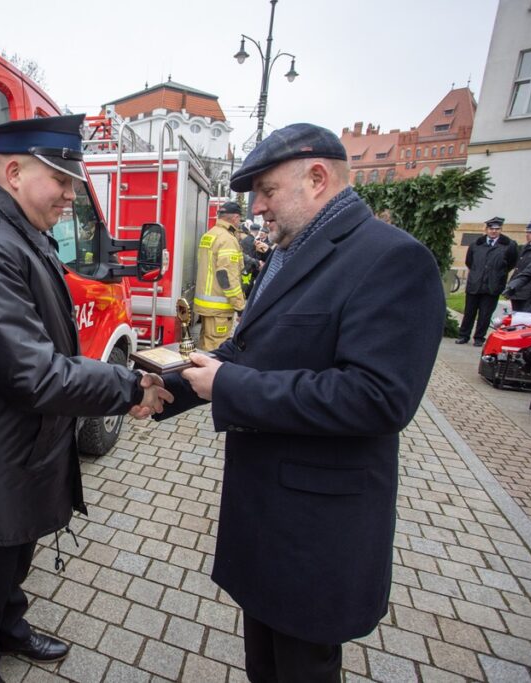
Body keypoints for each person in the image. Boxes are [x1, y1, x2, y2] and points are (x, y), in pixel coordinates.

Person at [155, 123, 445, 682]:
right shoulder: (290, 252)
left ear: (317, 178)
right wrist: (168, 388)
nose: (257, 207)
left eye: (267, 191)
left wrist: (229, 387)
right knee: (264, 665)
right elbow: (243, 351)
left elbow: (378, 397)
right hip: (266, 516)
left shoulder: (390, 259)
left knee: (302, 669)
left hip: (317, 532)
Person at [0, 114, 171, 682]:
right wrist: (126, 386)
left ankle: (9, 628)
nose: (70, 195)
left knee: (17, 549)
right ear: (14, 173)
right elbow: (33, 372)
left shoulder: (16, 228)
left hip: (23, 434)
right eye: (61, 180)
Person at [457, 216, 518, 346]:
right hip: (475, 283)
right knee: (469, 312)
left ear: (501, 229)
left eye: (497, 229)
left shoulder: (508, 245)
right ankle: (463, 335)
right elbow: (469, 262)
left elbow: (511, 263)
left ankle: (479, 337)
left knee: (485, 314)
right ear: (486, 229)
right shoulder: (476, 244)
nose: (494, 231)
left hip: (493, 285)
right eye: (491, 229)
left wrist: (498, 274)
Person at [195, 201, 247, 349]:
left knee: (205, 344)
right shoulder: (227, 239)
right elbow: (227, 276)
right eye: (239, 219)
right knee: (215, 349)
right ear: (235, 217)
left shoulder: (209, 234)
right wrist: (240, 306)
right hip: (219, 307)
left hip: (206, 304)